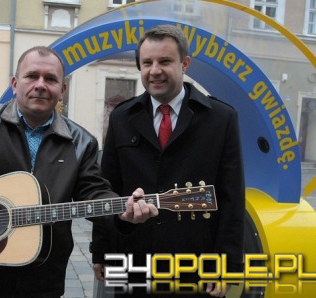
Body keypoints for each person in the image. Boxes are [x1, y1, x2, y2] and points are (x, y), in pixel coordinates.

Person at [0, 46, 158, 298]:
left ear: (62, 91)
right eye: (31, 76)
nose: (40, 85)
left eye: (50, 79)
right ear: (15, 84)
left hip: (43, 280)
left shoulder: (82, 142)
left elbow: (93, 192)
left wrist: (122, 211)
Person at [92, 24, 245, 297]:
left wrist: (228, 265)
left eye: (164, 61)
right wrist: (101, 251)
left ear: (184, 63)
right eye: (147, 63)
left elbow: (232, 197)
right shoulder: (121, 118)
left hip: (195, 264)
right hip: (135, 261)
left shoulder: (221, 119)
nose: (155, 71)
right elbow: (108, 189)